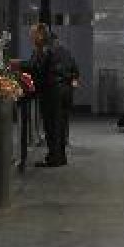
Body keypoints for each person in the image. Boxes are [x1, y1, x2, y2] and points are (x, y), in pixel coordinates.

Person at [28, 23, 79, 167]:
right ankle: (60, 157)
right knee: (61, 125)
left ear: (40, 35)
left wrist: (19, 65)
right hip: (65, 91)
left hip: (52, 92)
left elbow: (38, 68)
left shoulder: (44, 49)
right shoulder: (62, 48)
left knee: (51, 125)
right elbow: (75, 68)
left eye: (32, 34)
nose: (31, 37)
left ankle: (54, 158)